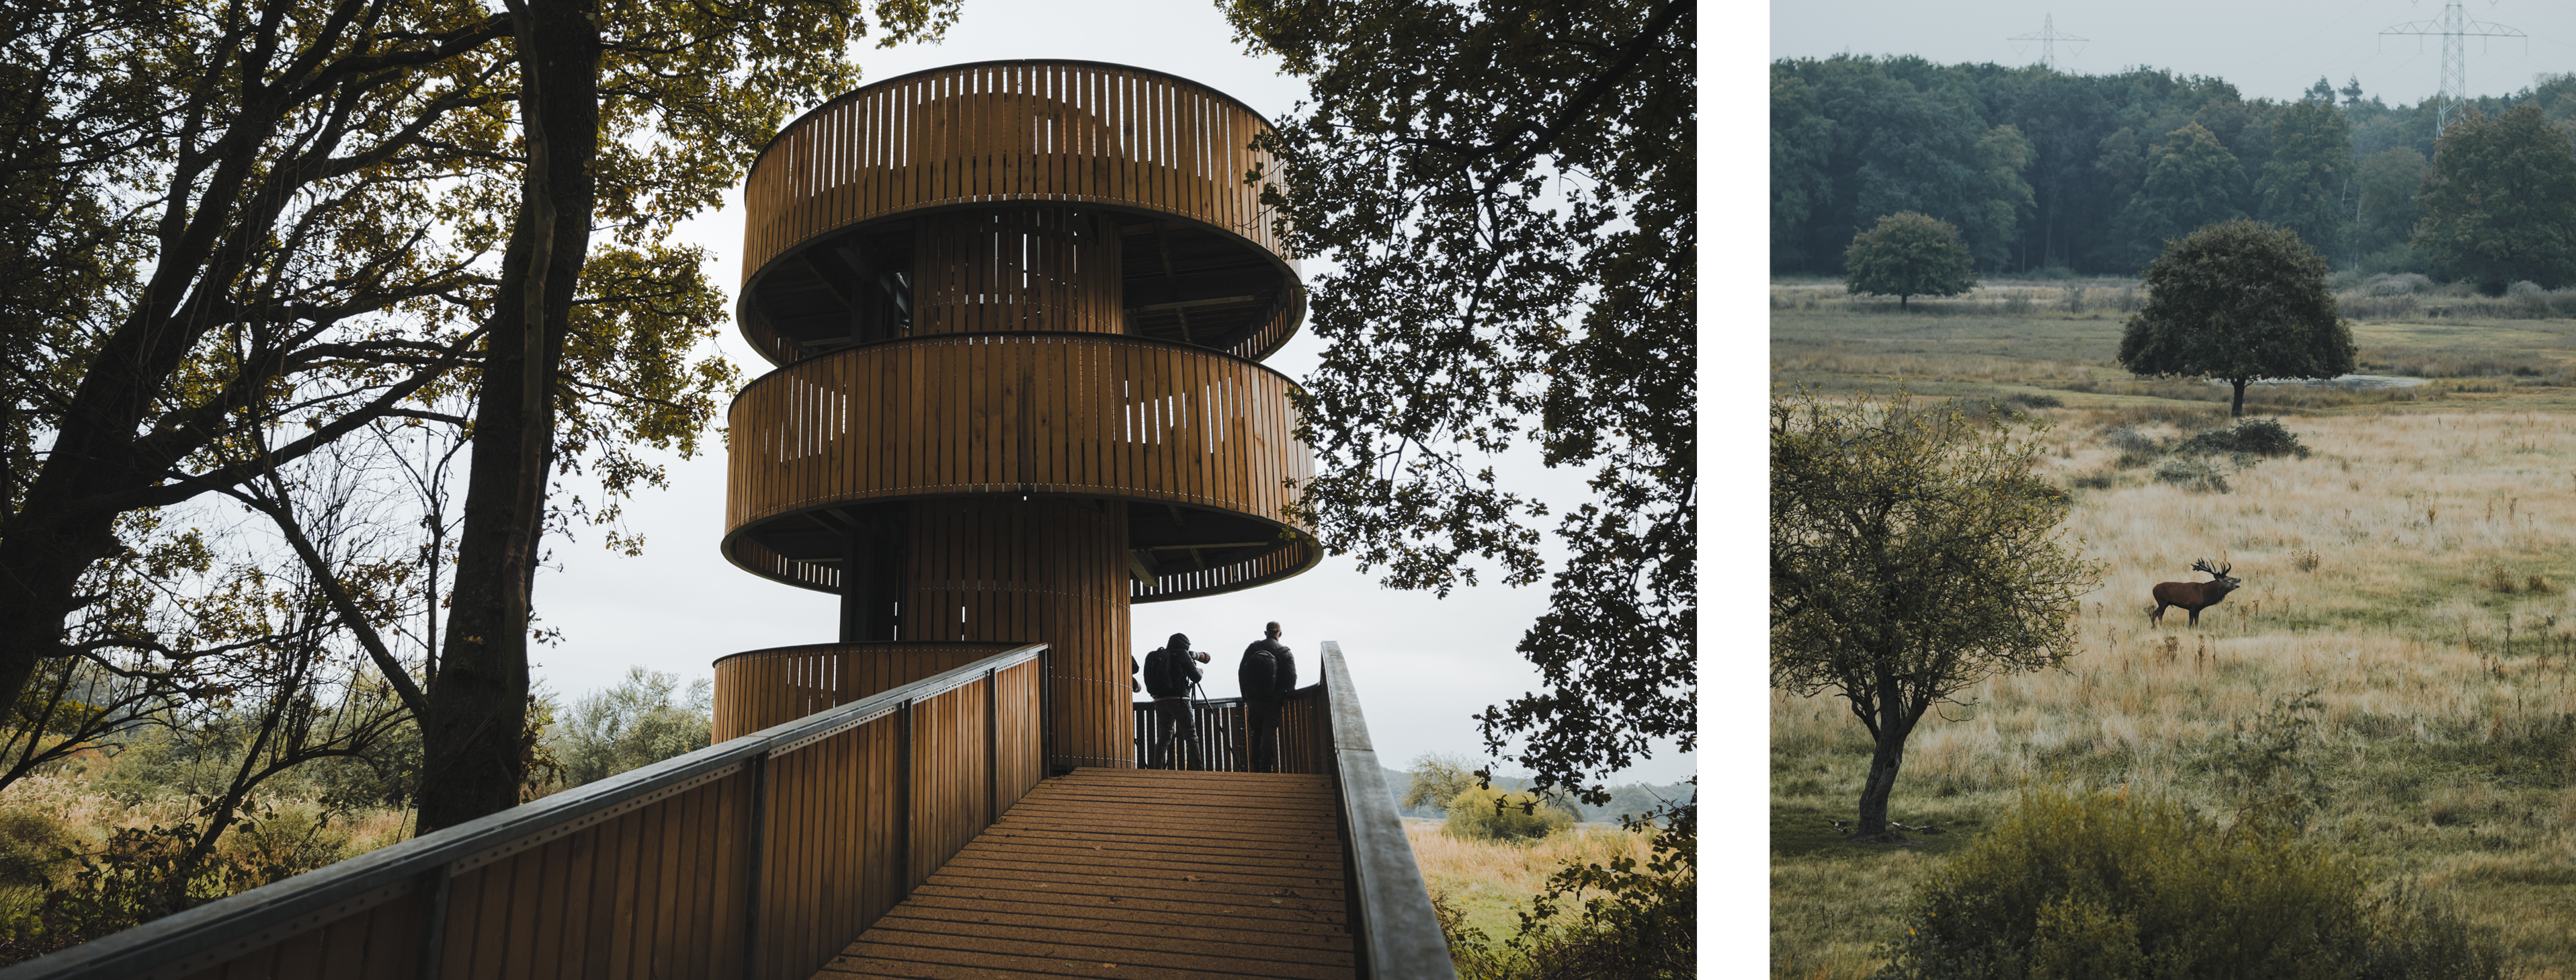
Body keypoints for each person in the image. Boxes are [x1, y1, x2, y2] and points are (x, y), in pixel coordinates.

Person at [1142, 632, 1210, 770]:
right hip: (1179, 700)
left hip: (1160, 701)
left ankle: (1157, 770)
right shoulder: (1182, 654)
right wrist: (1200, 671)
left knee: (1164, 736)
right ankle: (1200, 771)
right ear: (1185, 645)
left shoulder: (1162, 655)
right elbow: (1196, 677)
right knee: (1190, 735)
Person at [1238, 622, 1297, 773]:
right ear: (1280, 634)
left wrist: (1246, 695)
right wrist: (1282, 695)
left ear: (1266, 633)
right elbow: (1291, 679)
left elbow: (1242, 672)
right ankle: (1266, 766)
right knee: (1269, 731)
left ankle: (1255, 766)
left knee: (1256, 731)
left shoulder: (1253, 648)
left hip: (1254, 698)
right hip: (1273, 700)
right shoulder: (1285, 653)